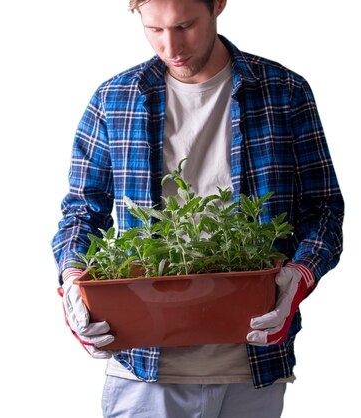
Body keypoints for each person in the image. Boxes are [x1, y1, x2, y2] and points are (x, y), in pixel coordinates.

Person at [51, 0, 344, 417]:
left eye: (185, 26)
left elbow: (325, 210)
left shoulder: (284, 92)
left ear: (218, 5)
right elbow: (81, 211)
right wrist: (74, 279)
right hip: (144, 366)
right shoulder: (115, 99)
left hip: (252, 364)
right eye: (154, 30)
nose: (171, 47)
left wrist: (298, 276)